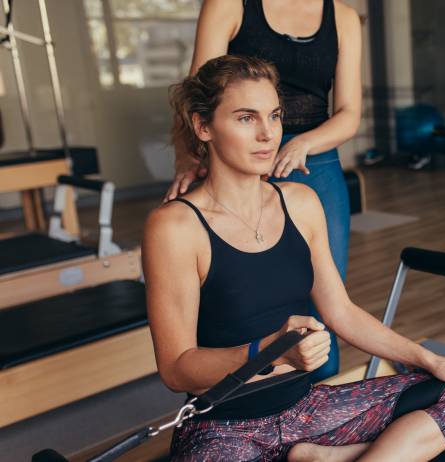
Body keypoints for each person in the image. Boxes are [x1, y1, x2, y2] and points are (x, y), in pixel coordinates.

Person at [145, 55, 445, 461]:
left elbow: (340, 310)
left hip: (306, 412)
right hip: (224, 427)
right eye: (245, 118)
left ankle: (323, 457)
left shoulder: (301, 203)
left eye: (273, 116)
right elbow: (176, 369)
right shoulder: (175, 227)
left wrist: (430, 360)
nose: (267, 134)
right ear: (204, 127)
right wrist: (269, 351)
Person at [163, 0, 363, 380]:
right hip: (237, 150)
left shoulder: (345, 18)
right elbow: (196, 96)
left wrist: (304, 143)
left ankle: (316, 402)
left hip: (313, 158)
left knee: (324, 305)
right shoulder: (228, 5)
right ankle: (251, 405)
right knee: (242, 302)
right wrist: (187, 161)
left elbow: (349, 112)